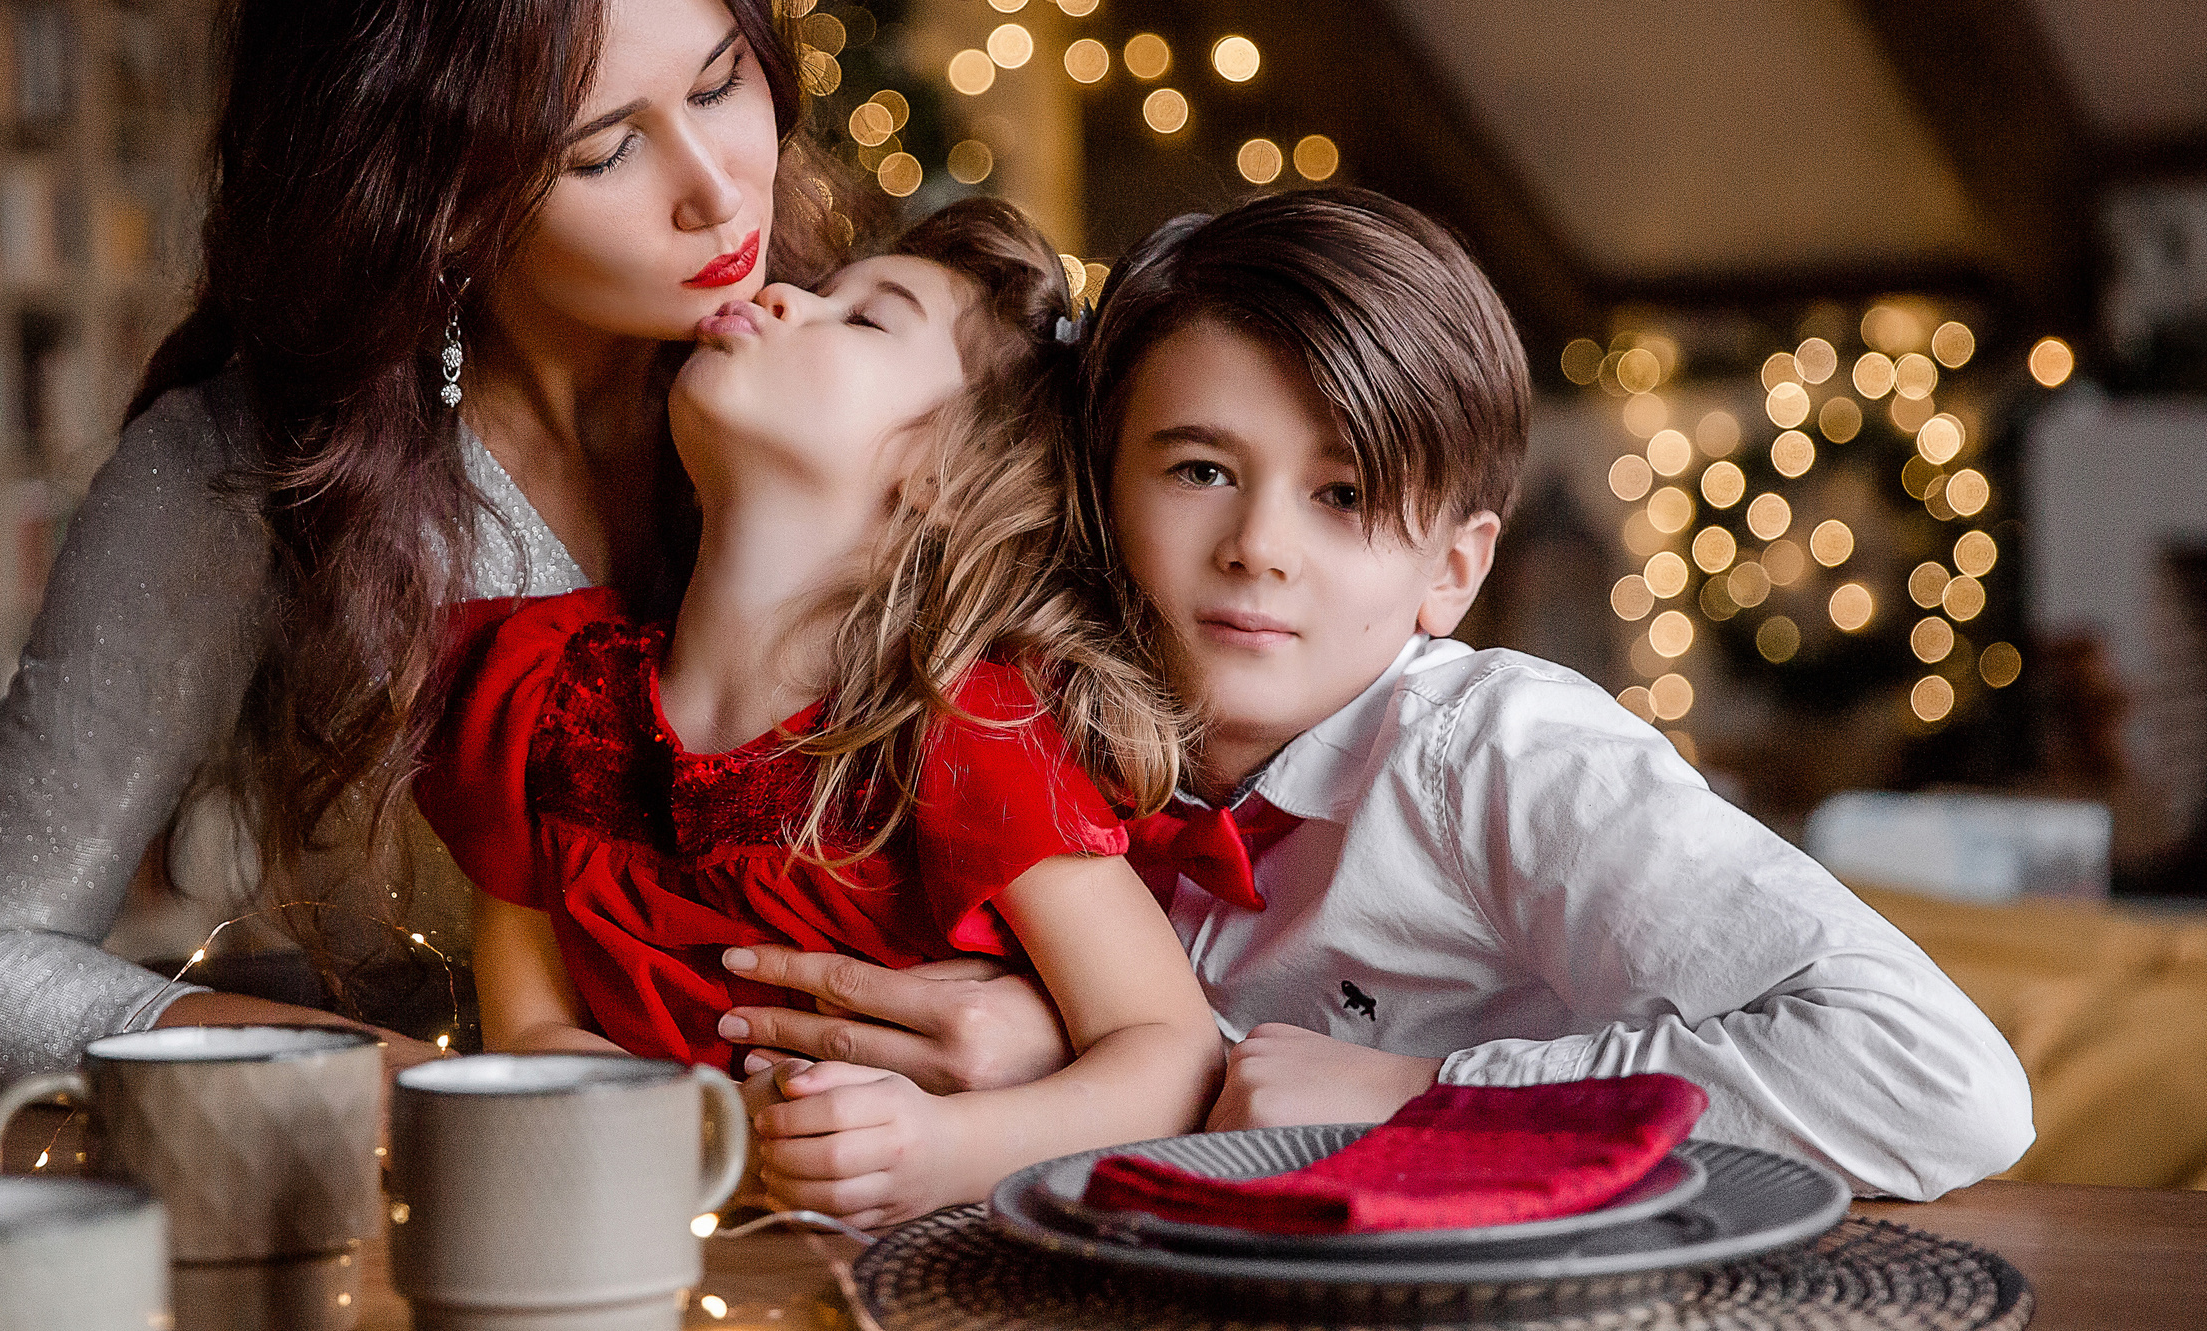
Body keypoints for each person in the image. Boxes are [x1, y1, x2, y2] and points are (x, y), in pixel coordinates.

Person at [718, 190, 2036, 1202]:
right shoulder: (1019, 731)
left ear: (1452, 569)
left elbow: (1938, 1083)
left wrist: (1421, 1094)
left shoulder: (1498, 754)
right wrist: (1072, 1056)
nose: (1260, 547)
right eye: (1199, 469)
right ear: (1101, 487)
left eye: (1342, 494)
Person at [0, 0, 869, 1091]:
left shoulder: (868, 364)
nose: (717, 190)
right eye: (602, 152)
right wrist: (422, 1091)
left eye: (721, 81)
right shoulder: (254, 472)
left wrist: (1027, 1031)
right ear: (431, 192)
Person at [413, 200, 1225, 1226]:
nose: (781, 296)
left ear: (940, 472)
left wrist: (945, 1149)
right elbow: (528, 1040)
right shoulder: (540, 695)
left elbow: (1171, 1051)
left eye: (865, 317)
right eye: (819, 290)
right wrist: (718, 1133)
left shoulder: (957, 726)